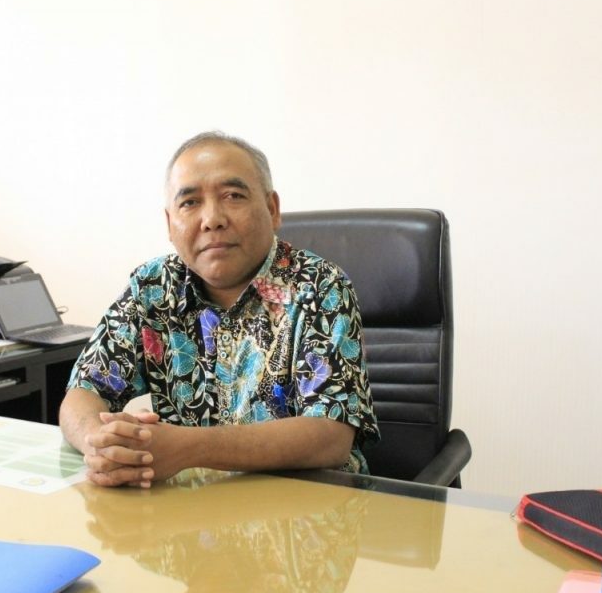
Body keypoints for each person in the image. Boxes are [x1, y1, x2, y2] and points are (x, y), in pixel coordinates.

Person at [59, 131, 378, 488]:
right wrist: (101, 444)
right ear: (169, 223)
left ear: (272, 209)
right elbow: (83, 391)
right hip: (192, 510)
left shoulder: (320, 286)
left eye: (233, 196)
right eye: (190, 202)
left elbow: (330, 436)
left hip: (309, 507)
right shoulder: (152, 286)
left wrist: (187, 448)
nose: (212, 219)